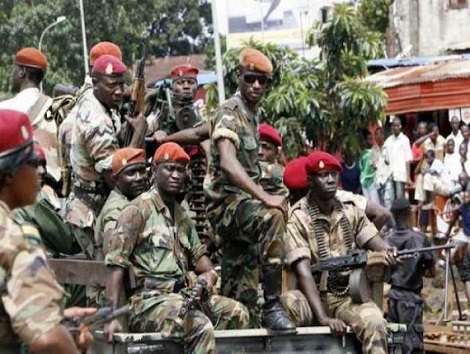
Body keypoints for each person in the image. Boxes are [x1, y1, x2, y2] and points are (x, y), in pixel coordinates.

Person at [104, 142, 249, 353]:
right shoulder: (137, 210)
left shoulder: (182, 216)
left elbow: (202, 261)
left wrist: (209, 277)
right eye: (169, 168)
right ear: (154, 171)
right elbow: (115, 267)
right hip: (147, 303)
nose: (175, 175)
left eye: (180, 170)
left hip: (183, 298)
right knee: (198, 325)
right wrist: (112, 317)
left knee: (238, 313)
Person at [204, 47, 295, 332]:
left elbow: (200, 132)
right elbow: (229, 164)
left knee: (239, 294)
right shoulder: (230, 112)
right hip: (227, 207)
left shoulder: (250, 113)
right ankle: (272, 305)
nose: (256, 85)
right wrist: (266, 197)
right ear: (238, 77)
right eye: (250, 78)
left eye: (262, 81)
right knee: (273, 217)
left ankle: (237, 332)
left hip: (241, 208)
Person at [280, 151, 396, 354]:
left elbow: (374, 241)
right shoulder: (298, 217)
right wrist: (324, 318)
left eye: (334, 174)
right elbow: (304, 272)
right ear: (310, 181)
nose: (330, 180)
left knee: (376, 322)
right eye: (323, 176)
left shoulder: (350, 211)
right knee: (287, 307)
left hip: (346, 297)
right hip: (310, 298)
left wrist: (388, 252)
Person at [0, 109, 95, 354]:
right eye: (33, 162)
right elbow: (48, 340)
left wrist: (55, 315)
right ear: (9, 174)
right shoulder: (14, 240)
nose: (40, 172)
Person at [64, 54, 147, 260]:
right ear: (95, 83)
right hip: (90, 211)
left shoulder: (102, 102)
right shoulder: (96, 120)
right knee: (106, 271)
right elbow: (117, 177)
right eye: (112, 86)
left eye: (122, 84)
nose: (119, 92)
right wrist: (138, 136)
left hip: (98, 204)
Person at [59, 41, 123, 196]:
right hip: (94, 202)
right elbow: (118, 180)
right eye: (113, 84)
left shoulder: (91, 98)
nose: (119, 91)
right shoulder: (95, 112)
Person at [283, 156, 392, 230]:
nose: (292, 199)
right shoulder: (291, 211)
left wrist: (359, 243)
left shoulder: (340, 197)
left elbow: (382, 214)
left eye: (296, 194)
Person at [0, 47, 60, 182]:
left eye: (13, 70)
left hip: (19, 189)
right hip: (52, 191)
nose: (12, 75)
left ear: (22, 72)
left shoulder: (4, 109)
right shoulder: (55, 106)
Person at [386, 198, 435, 354]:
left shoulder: (385, 240)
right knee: (413, 346)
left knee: (394, 343)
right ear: (409, 213)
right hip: (411, 299)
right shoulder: (419, 238)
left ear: (392, 214)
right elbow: (431, 271)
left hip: (393, 298)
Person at [383, 117, 413, 201]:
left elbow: (408, 159)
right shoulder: (389, 140)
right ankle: (391, 214)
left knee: (400, 198)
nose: (395, 127)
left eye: (396, 125)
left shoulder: (404, 140)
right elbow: (385, 157)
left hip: (400, 173)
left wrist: (408, 177)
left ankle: (400, 214)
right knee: (389, 199)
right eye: (393, 126)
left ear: (400, 126)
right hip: (390, 173)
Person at [258, 122, 288, 196]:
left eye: (266, 148)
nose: (259, 152)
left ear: (277, 152)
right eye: (256, 146)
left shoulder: (283, 175)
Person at [371, 127, 391, 208]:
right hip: (378, 180)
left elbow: (391, 162)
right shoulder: (374, 149)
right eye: (375, 135)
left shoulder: (388, 147)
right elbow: (373, 164)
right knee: (381, 204)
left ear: (383, 135)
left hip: (387, 179)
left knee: (388, 202)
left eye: (377, 134)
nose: (376, 137)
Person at [359, 130, 379, 204]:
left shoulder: (375, 150)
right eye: (369, 139)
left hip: (373, 180)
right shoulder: (362, 153)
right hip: (364, 181)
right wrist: (362, 180)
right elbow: (361, 168)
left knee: (375, 202)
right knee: (367, 203)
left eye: (372, 139)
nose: (371, 141)